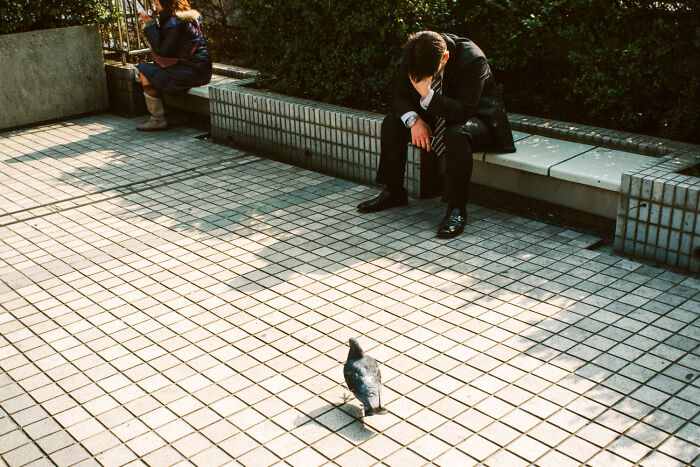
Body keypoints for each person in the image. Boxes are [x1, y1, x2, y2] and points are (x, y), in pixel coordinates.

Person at [357, 31, 516, 238]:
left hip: (479, 120)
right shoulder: (416, 52)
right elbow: (399, 94)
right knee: (392, 123)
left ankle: (456, 209)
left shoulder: (473, 59)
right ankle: (394, 191)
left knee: (457, 133)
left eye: (430, 74)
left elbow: (463, 111)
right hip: (438, 116)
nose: (425, 78)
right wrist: (414, 121)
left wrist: (427, 95)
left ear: (446, 57)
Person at [136, 0, 212, 131]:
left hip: (192, 71)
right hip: (198, 69)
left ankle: (158, 119)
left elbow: (163, 51)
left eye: (157, 0)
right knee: (149, 70)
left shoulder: (175, 23)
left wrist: (149, 24)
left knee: (145, 72)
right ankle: (165, 116)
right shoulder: (179, 18)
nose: (154, 2)